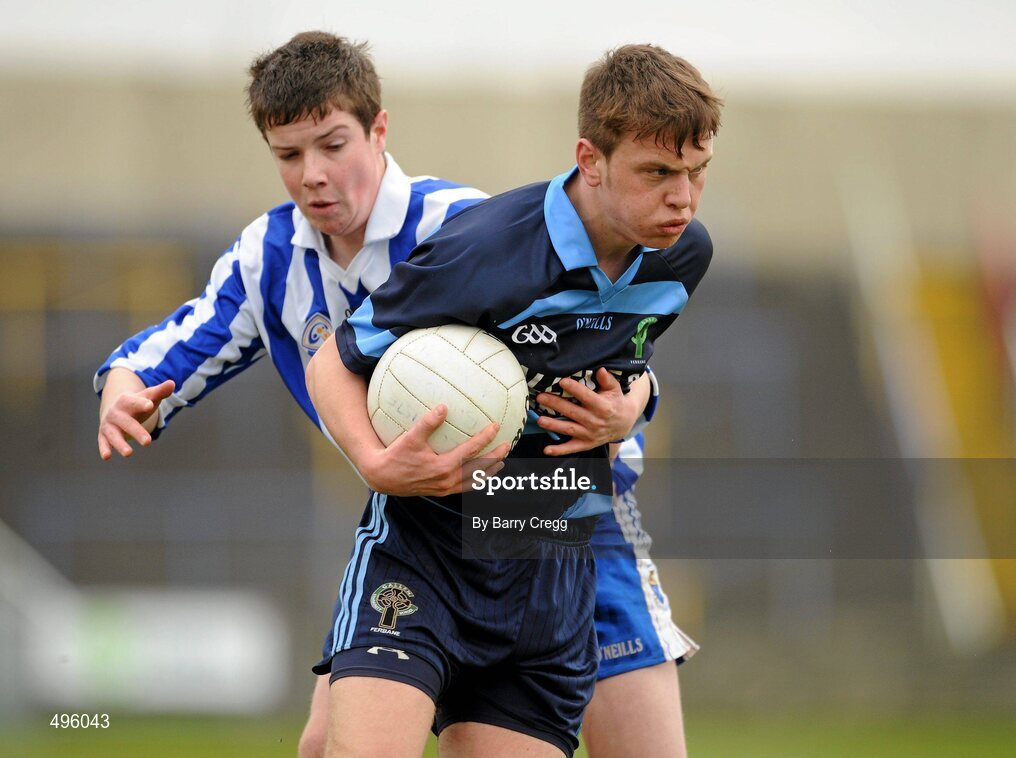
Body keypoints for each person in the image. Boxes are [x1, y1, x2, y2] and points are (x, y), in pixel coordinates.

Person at [94, 32, 712, 758]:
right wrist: (127, 386)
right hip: (435, 512)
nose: (313, 175)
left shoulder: (464, 225)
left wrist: (635, 403)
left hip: (570, 514)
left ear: (378, 129)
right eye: (289, 156)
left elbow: (602, 345)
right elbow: (183, 341)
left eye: (331, 146)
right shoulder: (268, 257)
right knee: (327, 742)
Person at [305, 42, 720, 758]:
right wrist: (375, 464)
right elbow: (332, 362)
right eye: (657, 173)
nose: (681, 197)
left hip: (551, 544)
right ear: (590, 160)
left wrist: (634, 404)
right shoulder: (487, 250)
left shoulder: (684, 253)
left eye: (696, 173)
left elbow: (630, 357)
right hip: (429, 544)